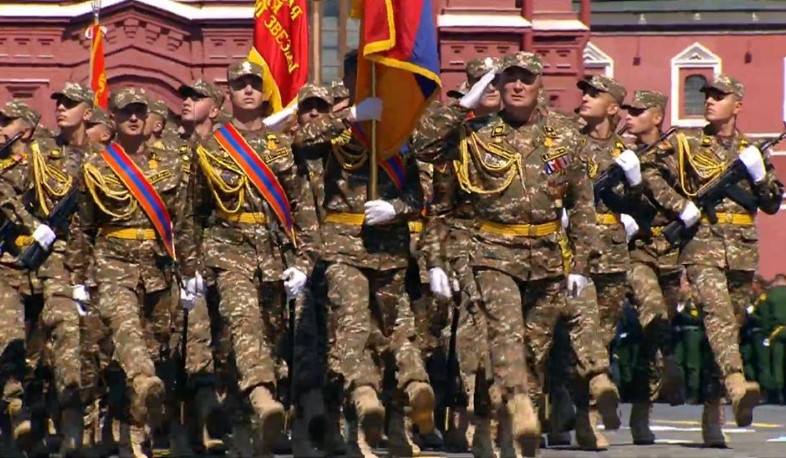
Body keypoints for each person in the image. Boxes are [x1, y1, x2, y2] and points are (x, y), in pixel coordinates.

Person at [413, 51, 619, 457]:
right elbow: (424, 145)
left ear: (539, 85)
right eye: (509, 79)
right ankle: (520, 404)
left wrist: (580, 265)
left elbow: (581, 206)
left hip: (546, 256)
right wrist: (463, 105)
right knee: (504, 333)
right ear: (499, 86)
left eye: (525, 79)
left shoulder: (565, 138)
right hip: (490, 251)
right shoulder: (475, 134)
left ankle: (501, 432)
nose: (517, 86)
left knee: (531, 352)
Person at [291, 49, 436, 458]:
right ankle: (359, 404)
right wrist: (351, 114)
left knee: (398, 333)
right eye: (360, 72)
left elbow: (418, 192)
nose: (368, 79)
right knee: (351, 332)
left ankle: (409, 396)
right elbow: (302, 140)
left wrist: (397, 208)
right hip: (342, 249)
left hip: (390, 250)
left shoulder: (398, 128)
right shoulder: (340, 123)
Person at [183, 60, 318, 457]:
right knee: (244, 325)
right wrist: (189, 268)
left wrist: (304, 263)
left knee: (256, 345)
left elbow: (302, 207)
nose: (247, 91)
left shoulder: (281, 147)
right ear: (229, 93)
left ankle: (248, 438)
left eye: (254, 85)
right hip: (228, 252)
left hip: (275, 257)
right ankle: (262, 395)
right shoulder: (210, 147)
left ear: (264, 94)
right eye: (240, 85)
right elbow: (191, 211)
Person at [642, 74, 784, 446]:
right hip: (703, 245)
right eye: (707, 96)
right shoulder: (686, 144)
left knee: (727, 331)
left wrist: (759, 175)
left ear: (737, 104)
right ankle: (737, 383)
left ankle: (712, 411)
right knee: (717, 315)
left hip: (741, 250)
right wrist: (680, 207)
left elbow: (770, 204)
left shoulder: (753, 150)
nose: (709, 101)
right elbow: (649, 171)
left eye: (719, 96)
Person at [74, 88, 193, 457]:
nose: (134, 118)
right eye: (126, 112)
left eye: (140, 112)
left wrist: (190, 272)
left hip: (158, 269)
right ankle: (142, 384)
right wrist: (77, 277)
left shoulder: (171, 163)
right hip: (113, 266)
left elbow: (183, 222)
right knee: (128, 338)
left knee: (156, 346)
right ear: (113, 119)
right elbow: (83, 227)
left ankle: (134, 438)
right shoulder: (95, 166)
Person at [619, 89, 686, 443]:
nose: (629, 116)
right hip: (639, 248)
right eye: (627, 110)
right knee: (652, 312)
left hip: (673, 251)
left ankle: (640, 414)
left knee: (651, 338)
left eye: (638, 110)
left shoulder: (680, 151)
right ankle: (671, 366)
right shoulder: (621, 154)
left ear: (656, 116)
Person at [764, 273, 786, 404]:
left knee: (777, 363)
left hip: (776, 332)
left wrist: (767, 331)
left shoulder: (770, 295)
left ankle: (779, 393)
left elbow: (766, 317)